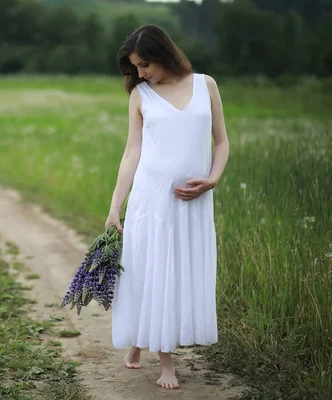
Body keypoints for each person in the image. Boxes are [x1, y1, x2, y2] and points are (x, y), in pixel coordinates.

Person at [104, 24, 230, 390]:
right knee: (155, 273)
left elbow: (221, 142)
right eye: (135, 68)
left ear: (162, 53)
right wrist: (115, 207)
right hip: (152, 201)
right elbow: (132, 152)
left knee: (173, 275)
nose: (140, 73)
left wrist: (214, 178)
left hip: (193, 204)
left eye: (144, 64)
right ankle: (166, 366)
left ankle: (137, 345)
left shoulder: (206, 86)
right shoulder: (141, 95)